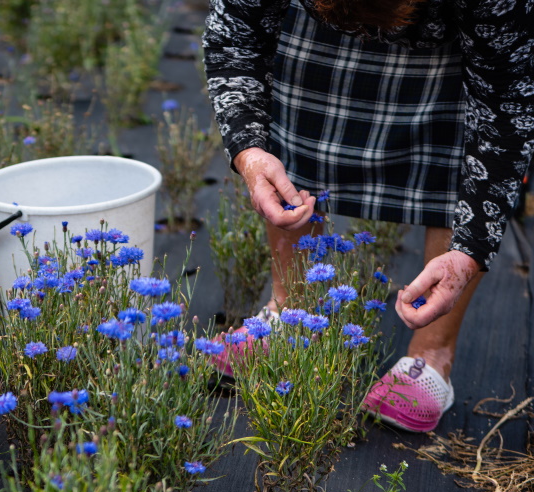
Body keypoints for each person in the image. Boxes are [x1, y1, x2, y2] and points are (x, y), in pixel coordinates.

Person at [202, 0, 534, 432]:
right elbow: (233, 40)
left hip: (454, 42)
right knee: (298, 89)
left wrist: (469, 251)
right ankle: (292, 315)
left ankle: (431, 355)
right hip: (311, 46)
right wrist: (249, 152)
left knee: (461, 151)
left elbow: (504, 109)